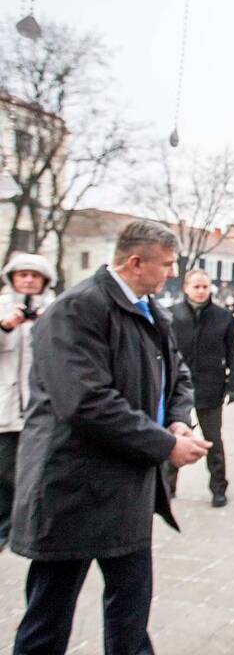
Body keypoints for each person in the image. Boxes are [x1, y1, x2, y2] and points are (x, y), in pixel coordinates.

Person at [10, 220, 211, 654]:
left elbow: (178, 376)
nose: (171, 273)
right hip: (70, 492)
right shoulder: (77, 309)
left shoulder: (149, 309)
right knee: (49, 616)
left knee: (131, 612)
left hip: (126, 490)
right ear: (135, 262)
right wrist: (165, 446)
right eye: (166, 264)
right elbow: (85, 402)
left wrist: (177, 421)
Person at [168, 269, 234, 507]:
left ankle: (218, 487)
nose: (201, 291)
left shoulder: (223, 317)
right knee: (172, 437)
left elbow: (233, 353)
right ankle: (167, 485)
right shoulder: (171, 316)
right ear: (186, 288)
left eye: (204, 286)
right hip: (176, 391)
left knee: (213, 440)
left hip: (211, 388)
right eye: (196, 286)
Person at [0, 254, 55, 551]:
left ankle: (29, 523)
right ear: (12, 278)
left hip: (41, 407)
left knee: (36, 470)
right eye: (23, 275)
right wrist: (5, 326)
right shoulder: (1, 307)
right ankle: (4, 524)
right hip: (5, 405)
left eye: (35, 276)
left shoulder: (56, 309)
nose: (29, 280)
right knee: (4, 469)